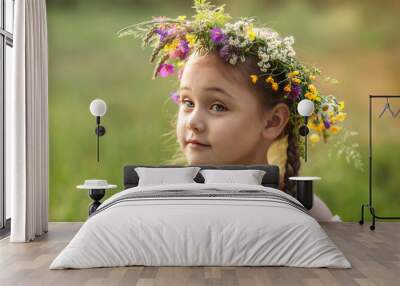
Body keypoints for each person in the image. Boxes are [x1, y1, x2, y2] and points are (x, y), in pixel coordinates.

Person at [118, 0, 347, 221]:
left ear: (272, 121)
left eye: (218, 106)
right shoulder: (166, 200)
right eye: (187, 102)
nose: (193, 122)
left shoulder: (304, 209)